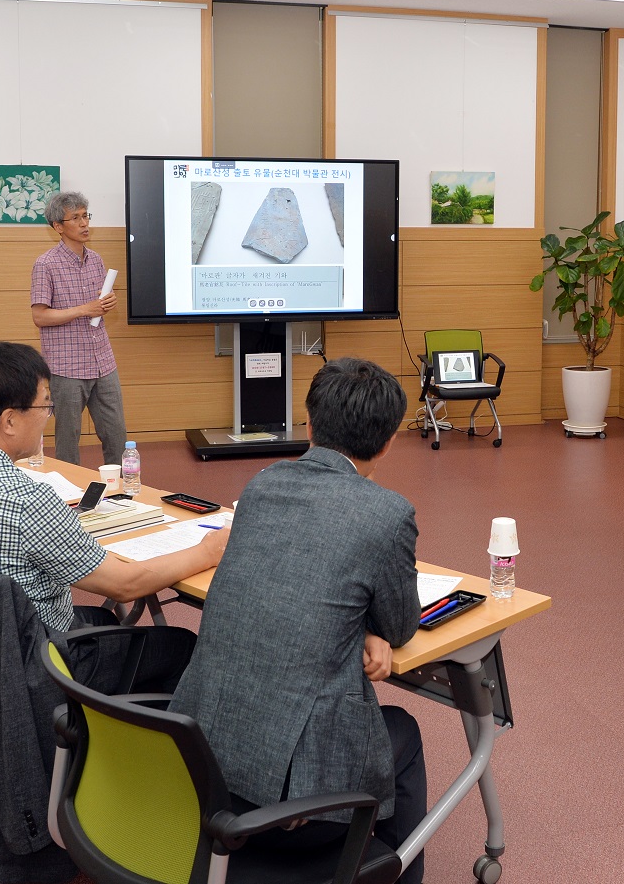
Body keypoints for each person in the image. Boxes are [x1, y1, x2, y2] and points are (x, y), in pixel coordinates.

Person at [169, 358, 428, 884]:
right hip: (292, 804)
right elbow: (402, 627)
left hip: (200, 770)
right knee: (405, 731)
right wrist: (375, 627)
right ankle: (383, 870)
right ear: (388, 443)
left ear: (309, 426)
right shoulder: (388, 513)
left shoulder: (263, 484)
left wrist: (362, 625)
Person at [0, 341, 227, 638]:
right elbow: (125, 585)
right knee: (177, 645)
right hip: (33, 663)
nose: (49, 417)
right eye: (45, 406)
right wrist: (208, 551)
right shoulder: (25, 499)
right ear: (9, 420)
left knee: (101, 618)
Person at [31, 190, 126, 466]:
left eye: (86, 216)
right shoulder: (45, 264)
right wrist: (86, 309)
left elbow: (98, 305)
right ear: (58, 227)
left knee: (116, 434)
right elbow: (40, 316)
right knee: (68, 439)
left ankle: (122, 493)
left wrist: (107, 302)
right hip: (67, 366)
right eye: (75, 218)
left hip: (103, 361)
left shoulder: (96, 259)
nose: (84, 223)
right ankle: (70, 496)